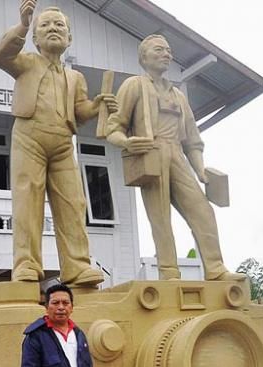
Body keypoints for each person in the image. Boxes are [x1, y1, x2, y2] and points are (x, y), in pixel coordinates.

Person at [0, 1, 117, 287]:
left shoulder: (75, 77)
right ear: (34, 38)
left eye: (60, 25)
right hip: (29, 136)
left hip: (62, 143)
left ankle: (77, 267)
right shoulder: (26, 62)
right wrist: (23, 24)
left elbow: (79, 111)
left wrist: (96, 106)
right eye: (45, 25)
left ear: (69, 38)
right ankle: (26, 264)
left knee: (73, 203)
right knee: (27, 200)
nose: (53, 29)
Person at [105, 34, 246, 282]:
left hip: (177, 155)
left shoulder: (179, 96)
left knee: (202, 211)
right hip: (150, 154)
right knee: (160, 219)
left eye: (168, 50)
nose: (166, 54)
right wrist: (127, 142)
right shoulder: (134, 85)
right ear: (144, 57)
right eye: (159, 50)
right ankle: (169, 273)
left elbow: (192, 140)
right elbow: (113, 128)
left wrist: (201, 170)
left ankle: (215, 268)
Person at [21, 284, 97, 367]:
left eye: (65, 303)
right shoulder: (36, 337)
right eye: (55, 303)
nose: (61, 307)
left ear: (72, 307)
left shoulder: (79, 335)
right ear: (47, 307)